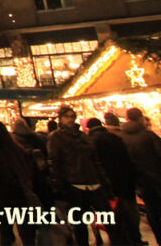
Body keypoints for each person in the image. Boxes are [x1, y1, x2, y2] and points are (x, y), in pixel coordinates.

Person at [48, 105, 124, 246]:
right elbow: (55, 163)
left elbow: (94, 161)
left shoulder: (82, 136)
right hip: (75, 185)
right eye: (67, 116)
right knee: (80, 225)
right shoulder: (57, 137)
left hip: (93, 183)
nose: (70, 119)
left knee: (110, 222)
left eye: (72, 116)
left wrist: (104, 183)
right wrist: (60, 187)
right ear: (61, 118)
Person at [0, 121, 39, 246]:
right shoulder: (18, 149)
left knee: (5, 230)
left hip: (4, 195)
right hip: (20, 193)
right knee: (26, 230)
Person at [86, 117, 140, 245]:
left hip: (108, 183)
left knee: (112, 213)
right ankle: (135, 238)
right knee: (130, 210)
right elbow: (127, 159)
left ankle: (119, 238)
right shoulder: (115, 138)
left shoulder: (90, 142)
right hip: (125, 180)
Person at [118, 107, 161, 244]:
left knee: (152, 211)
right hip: (156, 177)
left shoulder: (121, 138)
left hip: (140, 181)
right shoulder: (148, 135)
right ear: (141, 117)